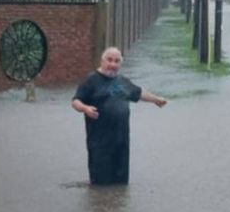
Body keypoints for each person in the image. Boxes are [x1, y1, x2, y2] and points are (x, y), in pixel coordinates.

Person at [71, 47, 168, 185]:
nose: (112, 64)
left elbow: (139, 93)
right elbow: (75, 101)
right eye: (109, 60)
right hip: (99, 143)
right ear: (102, 61)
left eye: (117, 61)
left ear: (120, 64)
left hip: (121, 141)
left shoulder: (123, 81)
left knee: (121, 185)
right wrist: (85, 108)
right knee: (100, 185)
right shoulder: (91, 81)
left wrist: (157, 100)